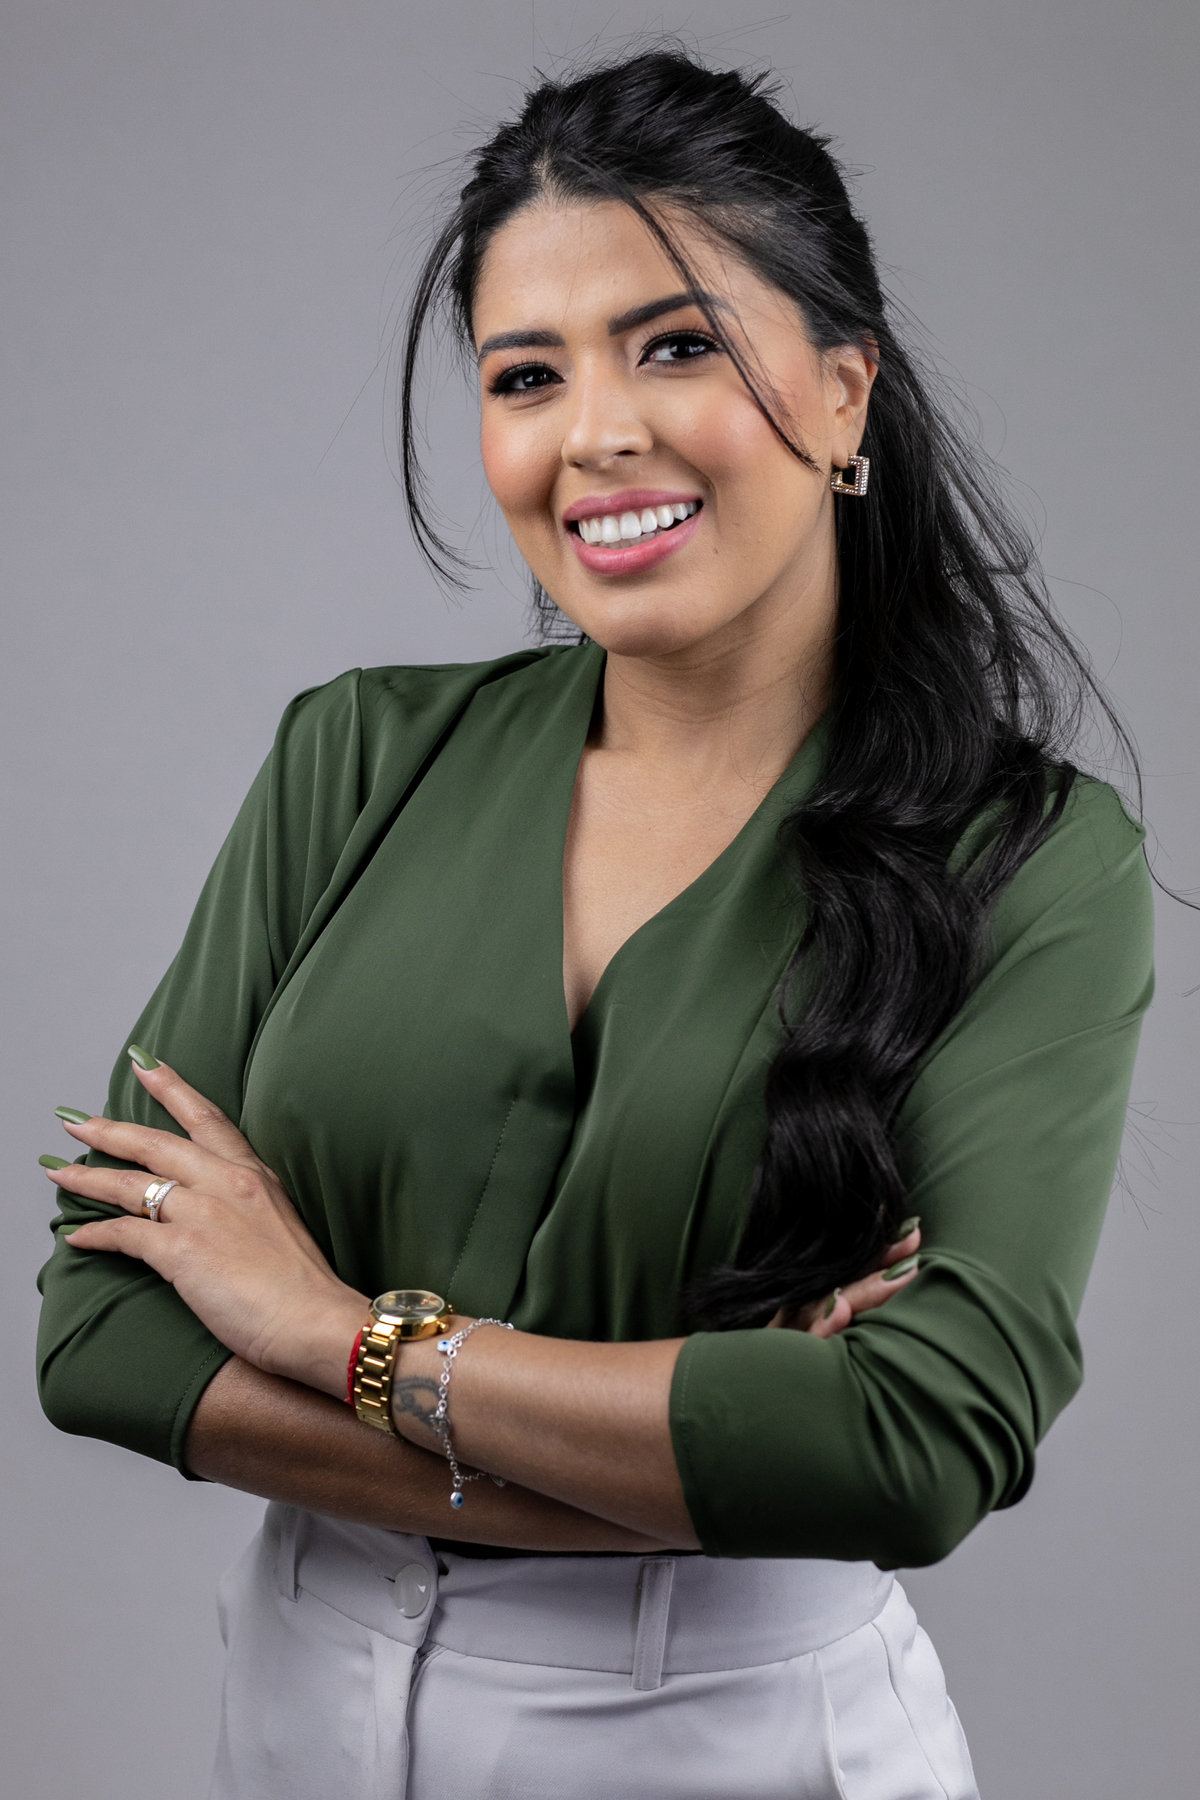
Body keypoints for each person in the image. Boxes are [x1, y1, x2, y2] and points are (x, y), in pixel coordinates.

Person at [34, 47, 1152, 1800]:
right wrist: (686, 1457)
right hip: (304, 1703)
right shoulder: (357, 759)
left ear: (844, 391)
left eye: (676, 345)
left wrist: (332, 1333)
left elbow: (917, 1444)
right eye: (527, 374)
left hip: (732, 1735)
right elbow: (100, 1338)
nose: (595, 433)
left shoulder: (1028, 858)